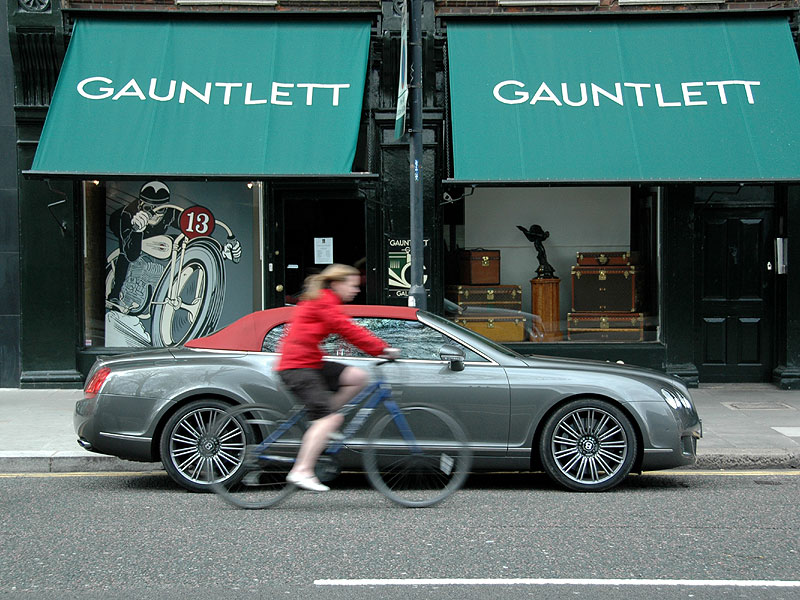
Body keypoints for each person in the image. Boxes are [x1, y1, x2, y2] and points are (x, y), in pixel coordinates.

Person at [275, 264, 399, 492]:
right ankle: (302, 470)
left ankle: (322, 421)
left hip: (310, 362)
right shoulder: (323, 301)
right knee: (329, 419)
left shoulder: (327, 300)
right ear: (337, 283)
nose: (357, 290)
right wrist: (382, 349)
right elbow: (347, 329)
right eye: (352, 285)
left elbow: (346, 328)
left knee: (357, 377)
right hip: (297, 366)